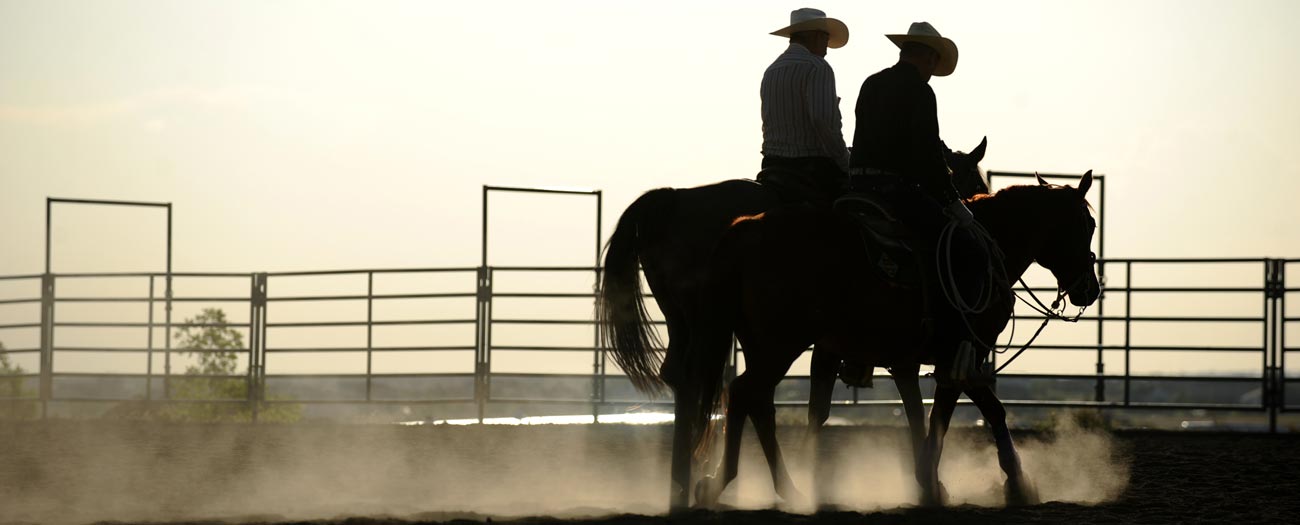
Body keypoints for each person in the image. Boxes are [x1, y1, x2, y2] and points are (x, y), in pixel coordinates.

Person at [847, 21, 984, 385]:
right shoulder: (920, 93)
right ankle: (950, 346)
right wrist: (952, 199)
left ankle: (853, 351)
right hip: (894, 190)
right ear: (925, 55)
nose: (932, 70)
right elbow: (925, 155)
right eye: (933, 61)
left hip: (857, 187)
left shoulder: (872, 83)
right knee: (958, 247)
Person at [759, 8, 851, 204]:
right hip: (809, 167)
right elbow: (823, 121)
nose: (827, 46)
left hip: (771, 164)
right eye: (826, 37)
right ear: (817, 36)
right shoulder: (818, 67)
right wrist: (845, 161)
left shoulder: (771, 70)